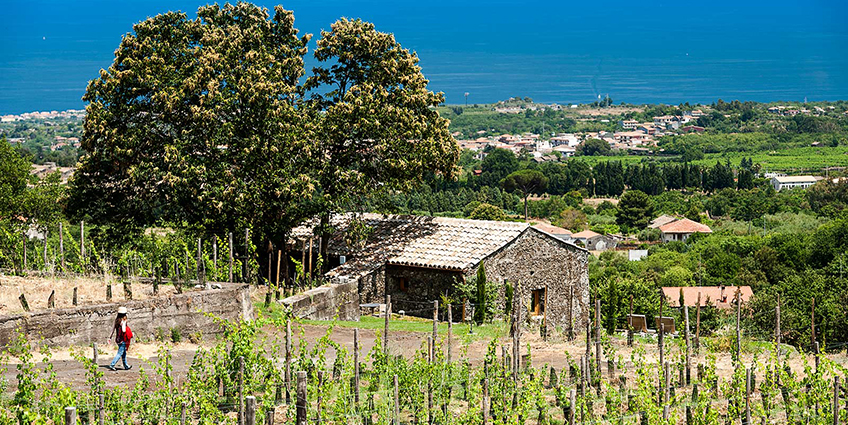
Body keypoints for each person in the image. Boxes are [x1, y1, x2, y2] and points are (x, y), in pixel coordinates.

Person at [108, 306, 133, 371]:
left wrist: (109, 337)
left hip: (118, 339)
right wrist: (124, 324)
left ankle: (126, 365)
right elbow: (124, 330)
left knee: (123, 353)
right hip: (123, 340)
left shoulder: (116, 320)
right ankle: (112, 364)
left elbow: (112, 329)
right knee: (120, 353)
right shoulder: (122, 321)